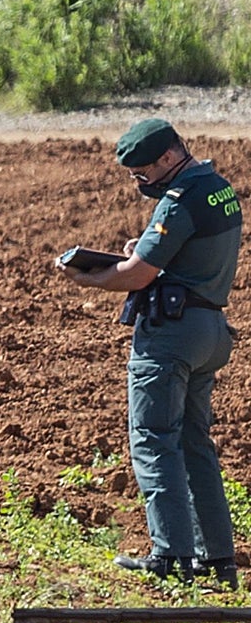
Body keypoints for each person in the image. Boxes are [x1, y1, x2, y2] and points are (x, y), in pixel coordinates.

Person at [57, 118, 240, 589]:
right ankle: (217, 559)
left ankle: (171, 557)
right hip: (211, 329)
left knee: (155, 439)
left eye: (143, 173)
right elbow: (191, 256)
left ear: (168, 157)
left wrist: (91, 278)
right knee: (196, 445)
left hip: (172, 336)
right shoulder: (218, 188)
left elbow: (138, 275)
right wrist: (145, 254)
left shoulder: (179, 201)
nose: (141, 183)